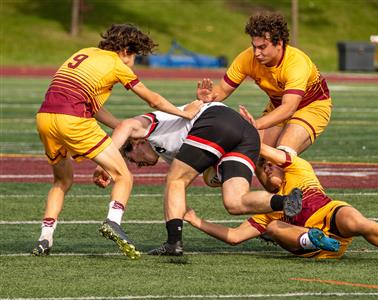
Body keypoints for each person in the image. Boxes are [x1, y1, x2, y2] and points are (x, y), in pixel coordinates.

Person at [32, 23, 203, 259]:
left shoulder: (84, 52)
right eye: (134, 55)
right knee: (124, 176)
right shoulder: (116, 63)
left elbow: (94, 108)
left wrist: (125, 127)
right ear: (125, 50)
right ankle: (113, 221)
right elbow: (152, 100)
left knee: (62, 181)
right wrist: (185, 113)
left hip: (44, 117)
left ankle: (45, 237)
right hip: (72, 119)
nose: (133, 61)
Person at [183, 136, 378, 261]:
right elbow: (234, 237)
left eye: (269, 164)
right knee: (274, 227)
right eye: (261, 168)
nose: (267, 168)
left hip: (332, 221)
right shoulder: (266, 206)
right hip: (312, 248)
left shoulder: (298, 167)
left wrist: (245, 139)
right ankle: (311, 237)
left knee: (354, 219)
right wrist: (196, 221)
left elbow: (268, 152)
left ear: (279, 163)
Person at [93, 102, 303, 256]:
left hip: (217, 119)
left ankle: (173, 242)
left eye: (132, 160)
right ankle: (284, 202)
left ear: (136, 143)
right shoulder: (168, 150)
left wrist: (105, 162)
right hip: (246, 134)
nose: (138, 165)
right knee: (235, 202)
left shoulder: (148, 126)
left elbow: (125, 126)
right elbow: (209, 171)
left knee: (175, 180)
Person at [197, 12, 332, 161]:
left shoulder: (296, 62)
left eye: (262, 47)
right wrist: (210, 96)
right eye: (254, 47)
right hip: (278, 105)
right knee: (256, 156)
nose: (257, 53)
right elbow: (222, 89)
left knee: (282, 154)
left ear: (279, 43)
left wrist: (257, 124)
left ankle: (305, 185)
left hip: (311, 106)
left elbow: (289, 107)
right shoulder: (247, 58)